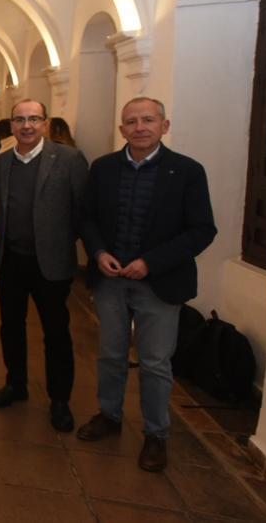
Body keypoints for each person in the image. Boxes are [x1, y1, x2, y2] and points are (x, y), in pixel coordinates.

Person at [77, 97, 216, 472]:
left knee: (155, 362)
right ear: (121, 129)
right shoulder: (104, 169)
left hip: (160, 283)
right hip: (110, 279)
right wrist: (98, 251)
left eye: (148, 120)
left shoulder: (187, 171)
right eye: (132, 121)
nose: (140, 127)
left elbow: (202, 230)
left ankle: (156, 434)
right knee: (110, 353)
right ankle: (110, 414)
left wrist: (151, 263)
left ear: (164, 126)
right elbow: (86, 218)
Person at [0, 99, 88, 432]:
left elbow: (82, 212)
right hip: (11, 260)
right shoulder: (1, 163)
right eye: (19, 120)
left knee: (56, 333)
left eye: (33, 119)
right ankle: (16, 385)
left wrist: (64, 244)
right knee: (11, 327)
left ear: (45, 123)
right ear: (12, 125)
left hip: (51, 263)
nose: (26, 126)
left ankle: (60, 400)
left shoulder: (69, 160)